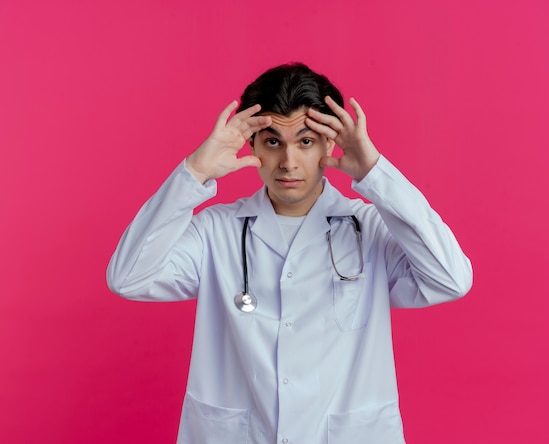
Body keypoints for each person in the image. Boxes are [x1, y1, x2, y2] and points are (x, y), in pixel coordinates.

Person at [107, 63, 472, 444]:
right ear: (251, 145)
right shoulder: (216, 232)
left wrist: (376, 174)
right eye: (272, 141)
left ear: (331, 144)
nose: (288, 163)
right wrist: (195, 172)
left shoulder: (370, 229)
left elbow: (451, 279)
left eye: (306, 141)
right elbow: (129, 277)